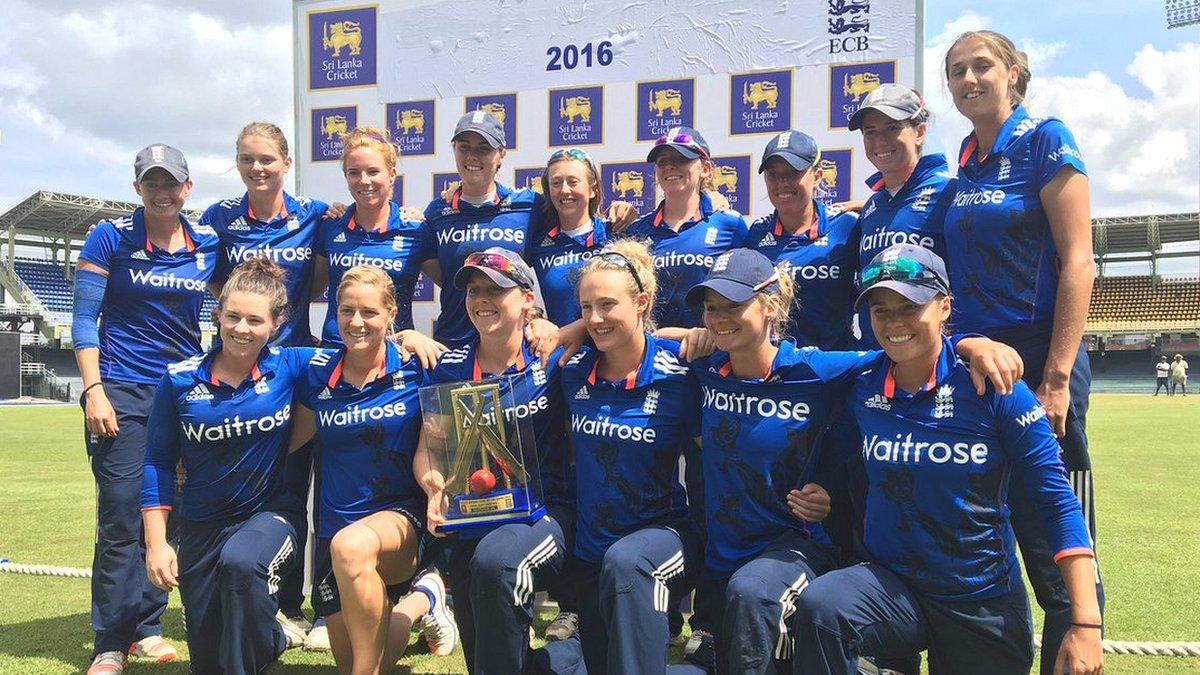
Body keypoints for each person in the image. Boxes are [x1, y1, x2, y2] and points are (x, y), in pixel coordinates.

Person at [680, 249, 1026, 674]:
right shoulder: (703, 367)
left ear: (769, 306)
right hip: (723, 554)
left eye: (732, 305)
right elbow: (633, 339)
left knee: (758, 603)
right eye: (711, 309)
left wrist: (973, 343)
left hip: (791, 548)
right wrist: (585, 326)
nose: (718, 318)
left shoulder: (818, 370)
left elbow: (904, 351)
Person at [790, 243, 1103, 675]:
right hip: (892, 588)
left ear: (944, 306)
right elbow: (799, 381)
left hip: (979, 599)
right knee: (824, 606)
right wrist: (822, 485)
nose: (894, 323)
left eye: (909, 305)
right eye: (880, 310)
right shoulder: (863, 382)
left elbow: (1057, 501)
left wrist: (1086, 622)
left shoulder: (997, 390)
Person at [941, 30, 1103, 673]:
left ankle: (1081, 647)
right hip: (978, 362)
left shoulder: (1045, 139)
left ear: (1014, 74)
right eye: (956, 71)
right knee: (987, 526)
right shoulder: (967, 161)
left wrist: (1057, 378)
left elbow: (1079, 261)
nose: (968, 79)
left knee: (1053, 533)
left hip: (1040, 358)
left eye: (982, 66)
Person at [73, 143, 218, 674]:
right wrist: (93, 389)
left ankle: (148, 625)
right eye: (151, 182)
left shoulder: (207, 243)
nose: (162, 191)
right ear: (138, 188)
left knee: (167, 512)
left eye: (171, 182)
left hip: (181, 393)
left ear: (187, 188)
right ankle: (110, 640)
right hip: (120, 390)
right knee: (120, 516)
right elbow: (85, 318)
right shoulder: (109, 236)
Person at [140, 258, 319, 675]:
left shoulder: (292, 366)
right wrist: (158, 543)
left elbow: (359, 350)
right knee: (210, 661)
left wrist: (408, 337)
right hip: (201, 527)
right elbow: (157, 463)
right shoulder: (179, 380)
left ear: (275, 324)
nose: (242, 328)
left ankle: (265, 636)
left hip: (271, 515)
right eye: (233, 316)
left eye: (255, 320)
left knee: (242, 563)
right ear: (217, 313)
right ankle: (272, 634)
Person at [535, 239, 702, 674]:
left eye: (607, 304)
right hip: (593, 553)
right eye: (585, 306)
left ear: (642, 301)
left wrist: (704, 337)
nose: (594, 318)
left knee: (628, 563)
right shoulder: (571, 368)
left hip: (662, 541)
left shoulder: (682, 370)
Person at [415, 248, 575, 674]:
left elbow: (615, 329)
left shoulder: (552, 359)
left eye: (495, 290)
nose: (481, 299)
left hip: (543, 515)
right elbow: (428, 449)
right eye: (473, 290)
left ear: (526, 298)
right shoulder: (449, 366)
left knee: (495, 563)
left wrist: (555, 327)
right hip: (473, 519)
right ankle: (571, 659)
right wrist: (433, 485)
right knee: (486, 648)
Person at [290, 265, 456, 674]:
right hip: (334, 530)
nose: (356, 322)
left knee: (353, 549)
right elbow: (290, 440)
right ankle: (424, 600)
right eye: (346, 311)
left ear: (390, 313)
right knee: (359, 657)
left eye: (369, 312)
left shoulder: (421, 365)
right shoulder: (316, 374)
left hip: (401, 523)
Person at [200, 121, 332, 637]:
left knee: (301, 485)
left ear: (286, 163)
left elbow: (329, 265)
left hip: (294, 372)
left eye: (267, 159)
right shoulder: (218, 219)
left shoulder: (315, 216)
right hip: (235, 369)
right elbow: (212, 284)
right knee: (251, 487)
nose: (257, 168)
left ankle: (303, 604)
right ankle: (257, 595)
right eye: (247, 159)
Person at [311, 125, 445, 364]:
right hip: (335, 353)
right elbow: (308, 290)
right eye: (354, 172)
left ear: (392, 175)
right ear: (346, 176)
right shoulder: (331, 226)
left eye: (373, 171)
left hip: (395, 354)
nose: (364, 181)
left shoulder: (415, 230)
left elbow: (454, 287)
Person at [848, 84, 951, 349]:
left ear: (920, 132)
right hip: (878, 357)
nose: (880, 141)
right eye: (870, 132)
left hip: (934, 360)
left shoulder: (949, 192)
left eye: (892, 128)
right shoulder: (872, 206)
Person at [743, 130, 861, 350]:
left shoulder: (847, 226)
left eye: (793, 172)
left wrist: (870, 203)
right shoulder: (756, 234)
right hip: (777, 372)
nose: (782, 183)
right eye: (773, 174)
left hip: (834, 370)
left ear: (817, 175)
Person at [626, 126, 749, 332]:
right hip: (652, 353)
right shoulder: (636, 230)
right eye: (662, 161)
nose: (670, 166)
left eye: (682, 159)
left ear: (706, 169)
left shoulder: (730, 224)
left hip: (708, 353)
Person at [529, 148, 609, 328]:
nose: (565, 190)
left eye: (573, 182)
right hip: (560, 353)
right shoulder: (537, 245)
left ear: (593, 189)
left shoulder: (615, 234)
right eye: (556, 183)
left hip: (613, 353)